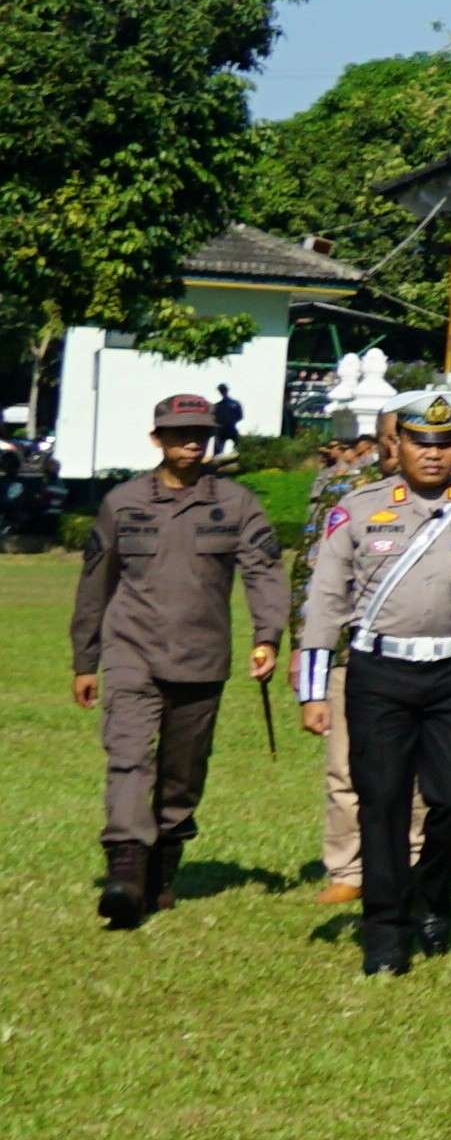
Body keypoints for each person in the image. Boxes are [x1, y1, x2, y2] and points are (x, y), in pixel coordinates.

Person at [294, 389, 451, 977]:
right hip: (380, 674)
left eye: (445, 442)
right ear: (395, 445)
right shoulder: (357, 508)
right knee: (383, 803)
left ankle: (432, 887)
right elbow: (325, 600)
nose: (433, 453)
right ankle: (385, 932)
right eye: (421, 442)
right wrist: (313, 690)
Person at [69, 389, 284, 928]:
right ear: (156, 438)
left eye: (200, 435)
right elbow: (95, 582)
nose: (191, 443)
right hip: (131, 652)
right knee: (128, 759)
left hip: (201, 656)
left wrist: (268, 635)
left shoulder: (237, 503)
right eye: (178, 435)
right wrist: (85, 659)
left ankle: (161, 868)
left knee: (181, 775)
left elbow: (263, 571)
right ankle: (124, 872)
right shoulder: (122, 502)